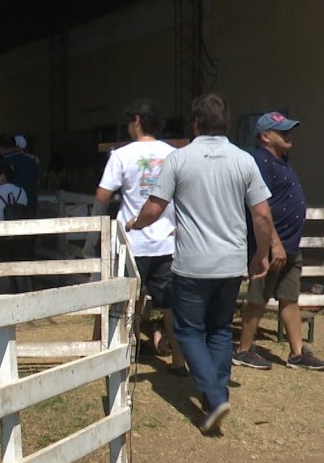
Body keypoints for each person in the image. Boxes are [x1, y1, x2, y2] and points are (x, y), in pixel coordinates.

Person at [129, 92, 275, 435]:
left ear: (195, 123)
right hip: (231, 263)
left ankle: (212, 393)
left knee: (189, 330)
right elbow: (262, 215)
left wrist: (133, 224)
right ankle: (214, 398)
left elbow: (154, 207)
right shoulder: (244, 161)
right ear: (224, 121)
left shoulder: (180, 160)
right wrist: (261, 253)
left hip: (192, 263)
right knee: (220, 329)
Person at [92, 98, 185, 375]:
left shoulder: (122, 155)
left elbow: (102, 195)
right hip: (166, 240)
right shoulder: (174, 154)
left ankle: (120, 354)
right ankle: (179, 361)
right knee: (170, 305)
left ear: (136, 122)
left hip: (132, 240)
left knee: (125, 299)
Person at [232, 112, 324, 372]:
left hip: (290, 243)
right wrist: (272, 244)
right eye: (282, 131)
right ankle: (243, 349)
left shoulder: (282, 161)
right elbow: (260, 207)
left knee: (289, 297)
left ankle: (297, 353)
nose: (289, 136)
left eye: (289, 130)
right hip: (270, 244)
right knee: (259, 297)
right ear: (265, 136)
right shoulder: (260, 161)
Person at [0, 159, 30, 294]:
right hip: (20, 237)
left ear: (2, 176)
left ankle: (3, 296)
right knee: (21, 269)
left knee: (2, 270)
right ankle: (25, 294)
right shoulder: (22, 192)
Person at [0, 134, 39, 217]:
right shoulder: (30, 162)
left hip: (7, 213)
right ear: (15, 146)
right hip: (30, 208)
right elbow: (37, 181)